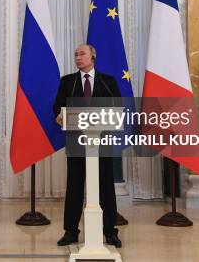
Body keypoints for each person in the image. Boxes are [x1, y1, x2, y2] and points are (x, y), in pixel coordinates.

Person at [53, 43, 122, 248]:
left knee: (106, 187)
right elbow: (58, 106)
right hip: (76, 141)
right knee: (74, 185)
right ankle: (71, 231)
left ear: (93, 56)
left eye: (82, 53)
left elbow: (117, 106)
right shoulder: (68, 82)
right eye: (75, 54)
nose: (78, 57)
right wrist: (59, 115)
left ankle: (110, 231)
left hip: (101, 142)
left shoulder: (107, 81)